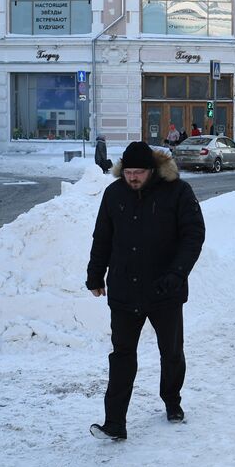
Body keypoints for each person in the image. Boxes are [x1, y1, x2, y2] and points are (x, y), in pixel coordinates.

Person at [86, 140, 206, 441]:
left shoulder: (178, 191)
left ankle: (171, 400)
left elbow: (193, 235)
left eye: (139, 172)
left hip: (164, 289)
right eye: (128, 172)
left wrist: (177, 274)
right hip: (125, 289)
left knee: (172, 352)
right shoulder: (114, 194)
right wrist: (95, 274)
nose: (133, 178)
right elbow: (102, 236)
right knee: (122, 355)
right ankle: (114, 422)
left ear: (152, 170)